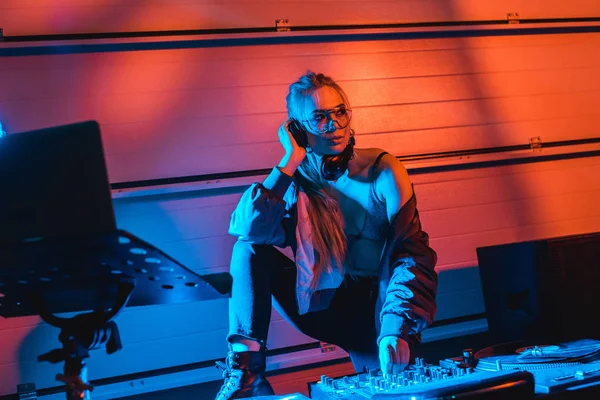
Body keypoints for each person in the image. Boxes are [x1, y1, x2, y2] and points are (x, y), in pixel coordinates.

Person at [215, 72, 438, 400]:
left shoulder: (383, 171)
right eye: (319, 117)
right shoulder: (297, 182)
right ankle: (245, 374)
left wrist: (396, 326)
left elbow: (410, 252)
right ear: (297, 128)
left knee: (390, 393)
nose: (333, 124)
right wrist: (289, 162)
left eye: (339, 112)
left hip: (380, 311)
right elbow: (248, 231)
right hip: (327, 306)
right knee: (247, 251)